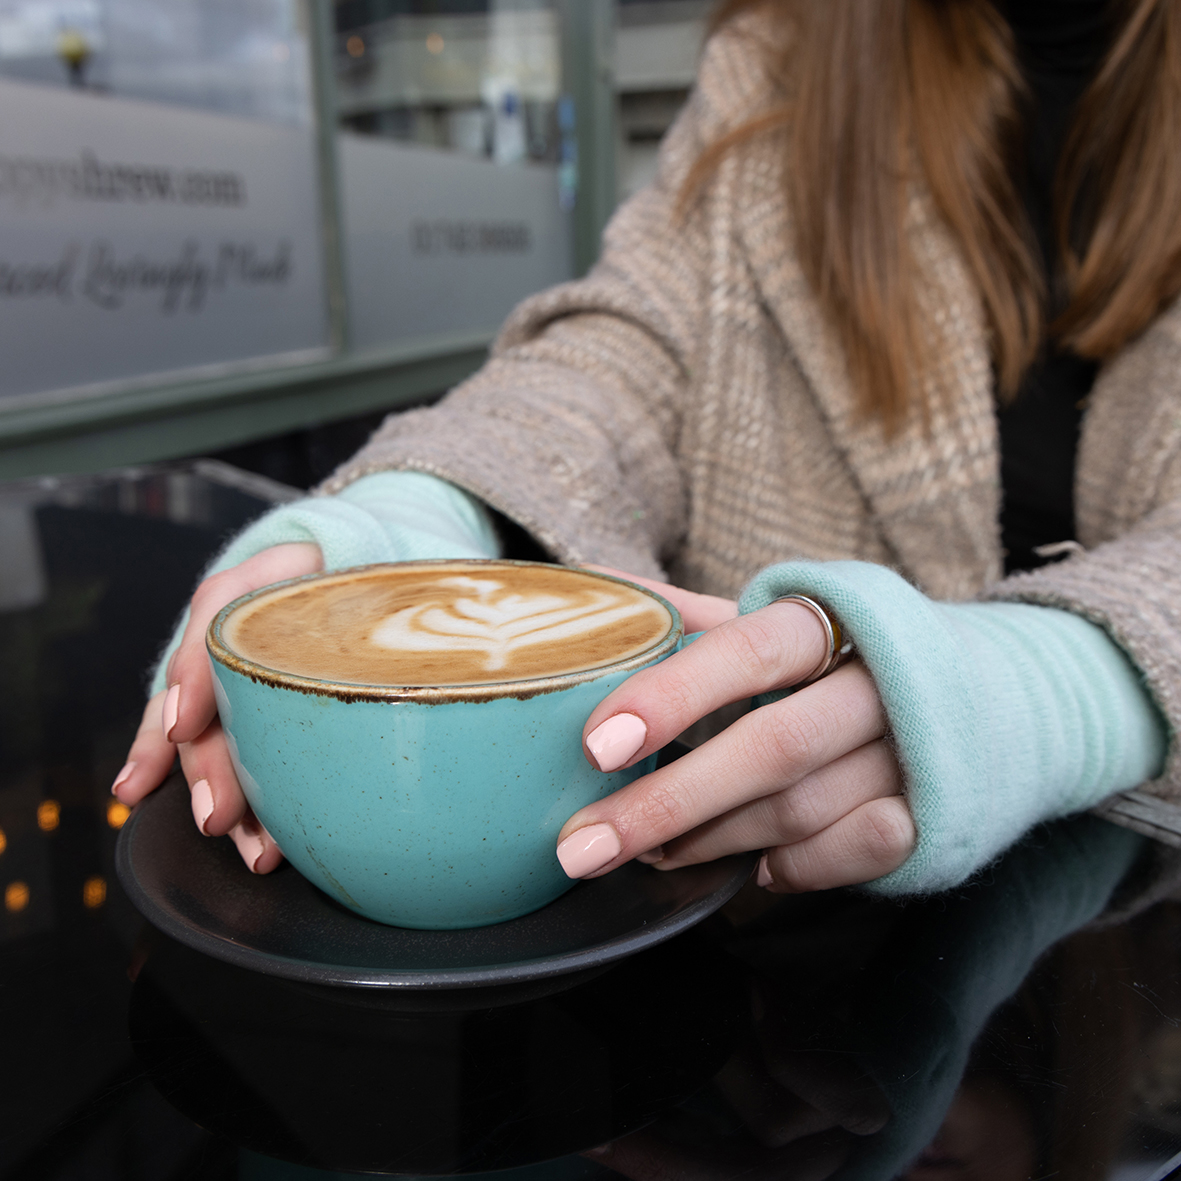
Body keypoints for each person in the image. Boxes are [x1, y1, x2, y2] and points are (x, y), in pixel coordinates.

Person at [113, 0, 1181, 899]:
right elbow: (619, 354)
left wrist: (1058, 691)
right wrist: (408, 516)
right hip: (756, 959)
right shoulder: (784, 60)